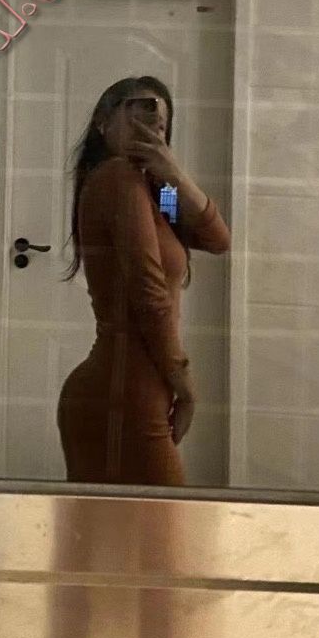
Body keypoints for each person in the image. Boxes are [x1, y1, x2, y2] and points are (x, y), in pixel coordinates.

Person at [57, 76, 231, 486]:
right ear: (103, 122)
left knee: (116, 526)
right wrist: (184, 384)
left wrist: (172, 173)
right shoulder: (117, 177)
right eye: (138, 114)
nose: (150, 127)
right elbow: (148, 292)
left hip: (125, 391)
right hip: (124, 396)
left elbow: (216, 240)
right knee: (164, 522)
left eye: (160, 125)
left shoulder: (155, 192)